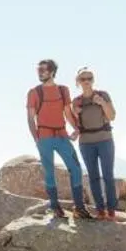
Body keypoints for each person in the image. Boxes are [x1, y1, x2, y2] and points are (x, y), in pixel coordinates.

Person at [26, 59, 88, 218]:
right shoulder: (34, 92)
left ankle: (79, 208)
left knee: (75, 168)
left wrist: (76, 129)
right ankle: (55, 206)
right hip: (44, 138)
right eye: (38, 70)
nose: (40, 73)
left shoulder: (63, 90)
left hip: (62, 136)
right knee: (49, 172)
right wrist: (37, 139)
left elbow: (67, 113)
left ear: (52, 72)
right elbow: (30, 118)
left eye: (44, 70)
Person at [73, 68, 120, 220]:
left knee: (108, 175)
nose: (86, 81)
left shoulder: (103, 95)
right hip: (86, 143)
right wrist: (75, 115)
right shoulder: (76, 101)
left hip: (105, 140)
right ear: (78, 82)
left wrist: (102, 103)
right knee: (93, 177)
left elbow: (112, 116)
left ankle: (111, 210)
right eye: (83, 79)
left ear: (93, 80)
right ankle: (100, 210)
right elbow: (76, 125)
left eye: (89, 78)